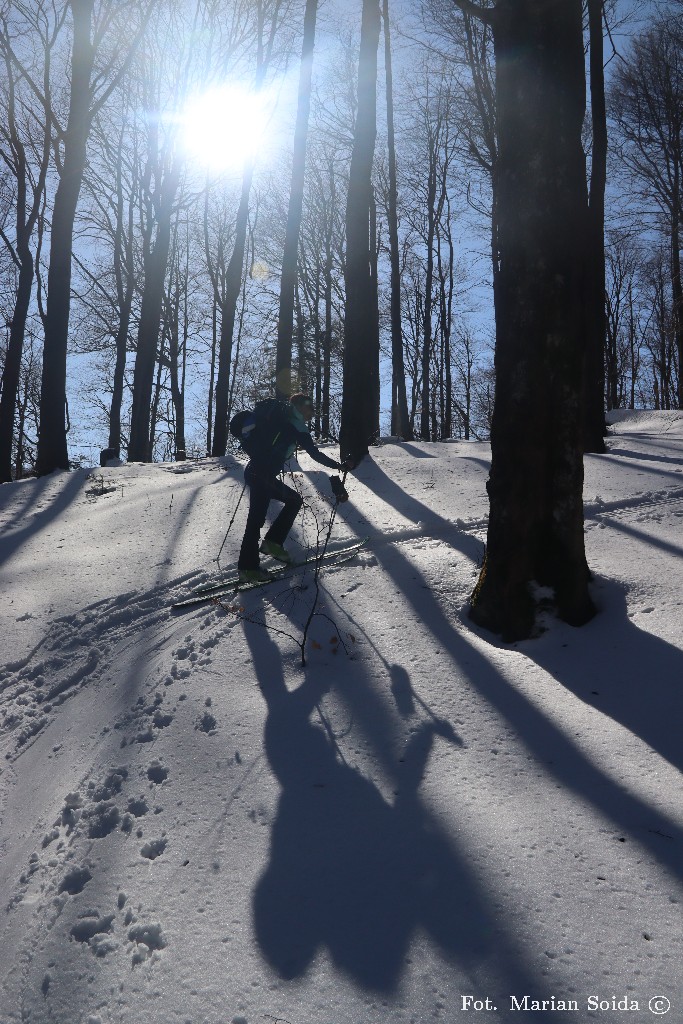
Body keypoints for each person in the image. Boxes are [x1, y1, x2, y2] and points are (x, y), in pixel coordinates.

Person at [237, 394, 350, 582]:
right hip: (261, 475)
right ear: (300, 407)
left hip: (256, 473)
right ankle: (249, 567)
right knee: (260, 518)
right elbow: (314, 454)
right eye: (309, 407)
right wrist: (338, 466)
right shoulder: (295, 424)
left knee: (291, 501)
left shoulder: (281, 421)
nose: (312, 412)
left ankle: (270, 545)